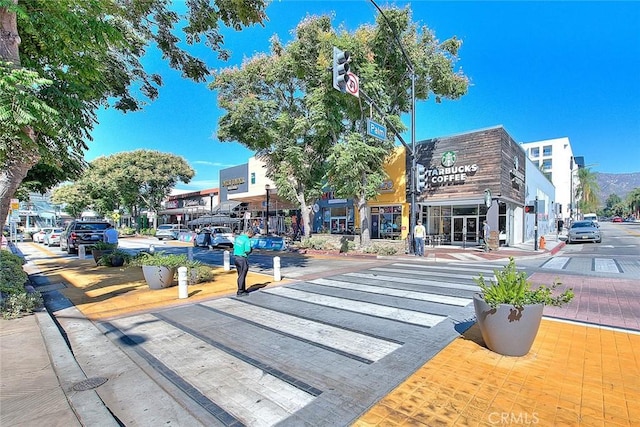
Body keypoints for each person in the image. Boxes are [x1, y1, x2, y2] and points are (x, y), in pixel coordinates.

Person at [233, 228, 255, 296]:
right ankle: (240, 291)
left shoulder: (238, 238)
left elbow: (234, 247)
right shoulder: (247, 240)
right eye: (252, 235)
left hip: (236, 258)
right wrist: (251, 250)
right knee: (242, 275)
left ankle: (243, 289)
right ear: (249, 233)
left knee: (240, 274)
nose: (251, 237)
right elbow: (247, 250)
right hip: (242, 258)